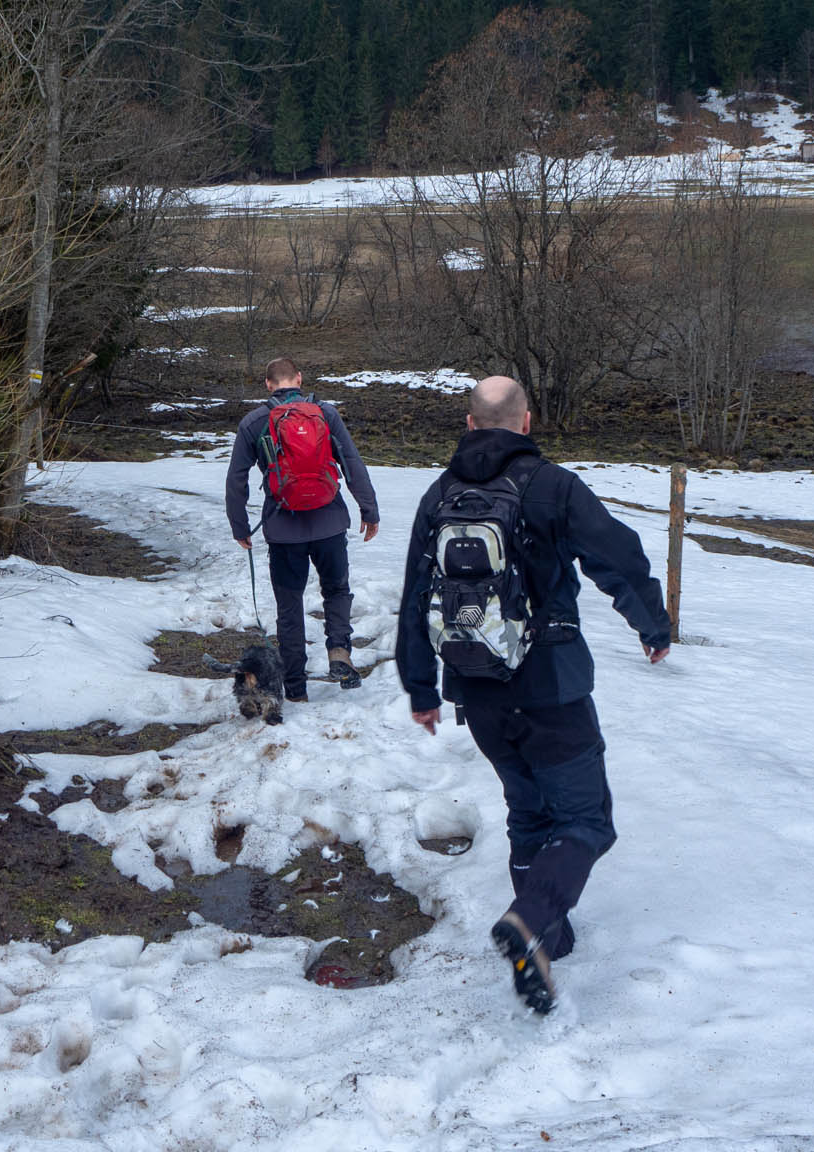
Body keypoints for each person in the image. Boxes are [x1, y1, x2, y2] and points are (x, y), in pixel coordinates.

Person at [396, 375, 671, 1014]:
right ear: (526, 423)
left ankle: (549, 935)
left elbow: (416, 595)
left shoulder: (440, 495)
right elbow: (620, 557)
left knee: (528, 810)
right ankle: (531, 921)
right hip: (553, 689)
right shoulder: (554, 487)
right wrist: (652, 624)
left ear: (469, 425)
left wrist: (421, 688)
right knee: (586, 820)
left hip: (479, 690)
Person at [226, 357, 379, 703]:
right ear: (299, 378)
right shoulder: (325, 414)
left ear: (267, 385)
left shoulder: (254, 422)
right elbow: (351, 463)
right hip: (329, 523)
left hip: (282, 528)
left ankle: (295, 687)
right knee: (337, 590)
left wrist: (240, 525)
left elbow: (236, 479)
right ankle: (339, 649)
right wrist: (368, 509)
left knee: (289, 606)